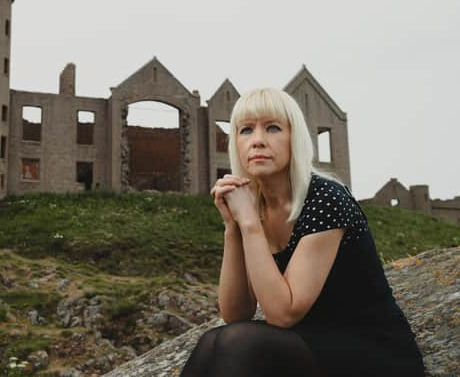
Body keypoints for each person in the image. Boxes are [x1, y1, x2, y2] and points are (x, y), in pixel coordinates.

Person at [180, 87, 425, 377]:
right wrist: (232, 227)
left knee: (239, 344)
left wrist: (249, 224)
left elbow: (283, 314)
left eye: (272, 128)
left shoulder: (325, 198)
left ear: (293, 138)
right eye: (246, 130)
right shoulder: (252, 203)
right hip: (310, 340)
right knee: (213, 341)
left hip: (370, 348)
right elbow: (236, 314)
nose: (257, 141)